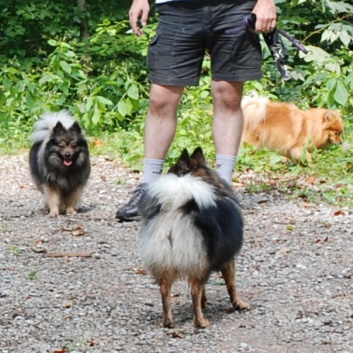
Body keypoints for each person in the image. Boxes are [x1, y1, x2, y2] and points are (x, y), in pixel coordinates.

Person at [116, 0, 277, 221]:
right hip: (176, 8)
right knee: (161, 99)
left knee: (228, 95)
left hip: (235, 7)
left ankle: (223, 190)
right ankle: (149, 188)